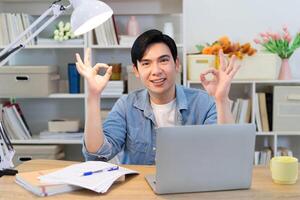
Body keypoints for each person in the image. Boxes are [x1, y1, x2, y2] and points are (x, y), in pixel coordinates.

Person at [75, 29, 240, 165]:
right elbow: (96, 156)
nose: (156, 71)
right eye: (146, 63)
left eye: (163, 60)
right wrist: (93, 96)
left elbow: (226, 154)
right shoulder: (126, 106)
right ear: (136, 71)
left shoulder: (203, 102)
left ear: (176, 64)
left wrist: (221, 99)